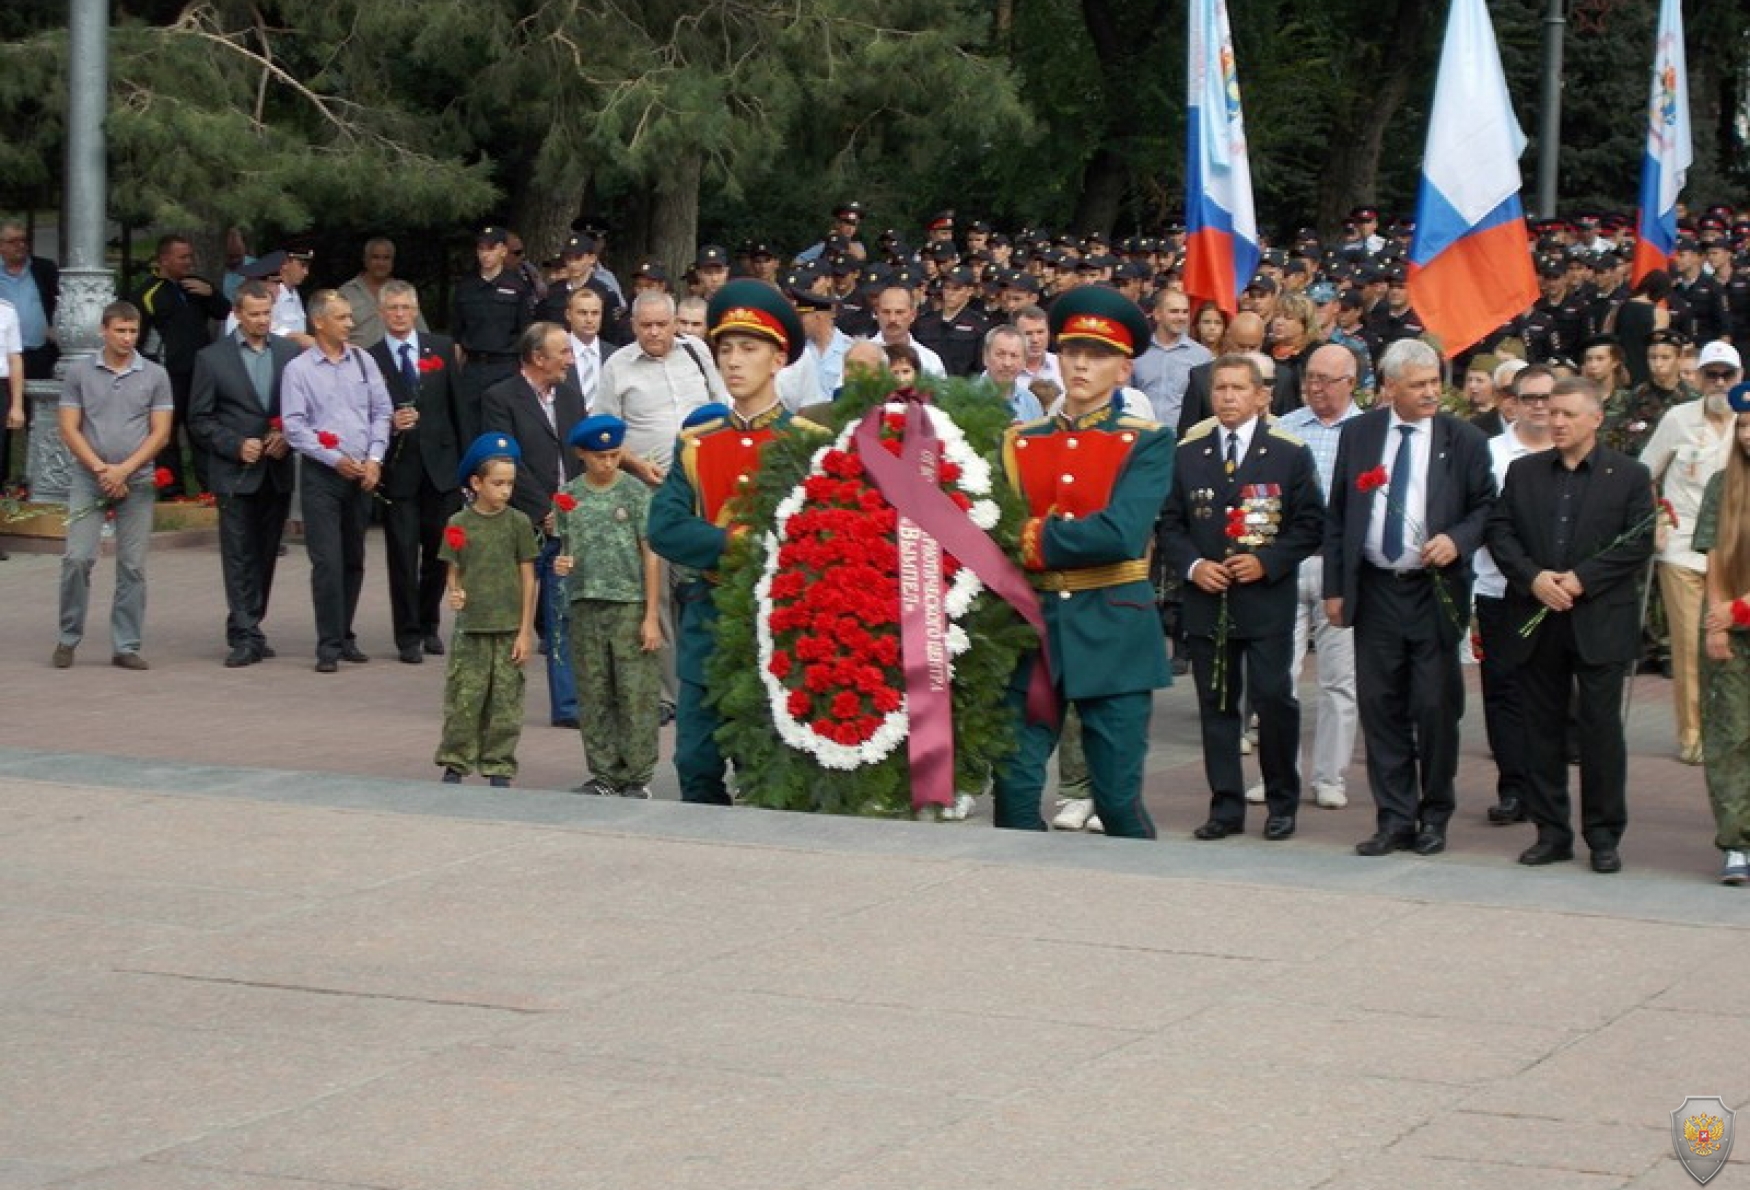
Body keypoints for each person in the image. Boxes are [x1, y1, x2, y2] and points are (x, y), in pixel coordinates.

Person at [989, 285, 1176, 839]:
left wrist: (1032, 538)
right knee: (1016, 796)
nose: (1081, 364)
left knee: (1117, 799)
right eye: (1073, 352)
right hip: (1032, 631)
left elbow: (1122, 533)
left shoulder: (1146, 441)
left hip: (1113, 627)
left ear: (1123, 370)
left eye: (1098, 355)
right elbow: (993, 523)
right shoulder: (1019, 440)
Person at [649, 279, 821, 804]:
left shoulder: (808, 445)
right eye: (725, 349)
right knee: (695, 763)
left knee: (770, 769)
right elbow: (665, 526)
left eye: (749, 349)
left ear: (778, 359)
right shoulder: (698, 444)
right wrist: (736, 545)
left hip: (778, 627)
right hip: (708, 617)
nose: (734, 361)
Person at [1324, 337, 1495, 857]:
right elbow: (1338, 515)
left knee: (1434, 705)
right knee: (1382, 705)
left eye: (1434, 383)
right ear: (1390, 386)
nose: (1430, 393)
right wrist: (1336, 587)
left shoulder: (1461, 438)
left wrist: (1457, 540)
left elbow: (1487, 507)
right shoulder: (1360, 434)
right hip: (1376, 589)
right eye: (1418, 384)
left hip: (1434, 592)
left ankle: (1434, 812)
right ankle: (1393, 816)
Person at [1485, 377, 1654, 872]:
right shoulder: (1525, 472)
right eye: (1551, 412)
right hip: (1538, 616)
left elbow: (1637, 542)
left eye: (1568, 414)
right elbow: (1501, 530)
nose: (1556, 421)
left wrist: (1581, 580)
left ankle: (1603, 835)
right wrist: (1533, 579)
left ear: (1596, 419)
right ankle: (1550, 830)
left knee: (1601, 732)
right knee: (1541, 729)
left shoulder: (1628, 475)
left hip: (1598, 620)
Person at [1160, 354, 1324, 841]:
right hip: (1208, 599)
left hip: (1266, 599)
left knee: (1274, 700)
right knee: (1217, 705)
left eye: (1237, 388)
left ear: (1261, 396)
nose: (1228, 397)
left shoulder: (1288, 452)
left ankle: (1280, 802)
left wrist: (1268, 561)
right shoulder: (1189, 452)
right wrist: (1193, 566)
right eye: (1220, 388)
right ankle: (1225, 806)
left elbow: (1310, 525)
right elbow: (1170, 523)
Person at [53, 300, 173, 670]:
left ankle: (126, 644)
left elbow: (162, 432)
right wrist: (101, 468)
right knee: (77, 558)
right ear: (104, 331)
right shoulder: (79, 372)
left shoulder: (154, 374)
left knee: (132, 566)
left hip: (135, 479)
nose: (126, 338)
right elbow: (69, 427)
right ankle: (68, 636)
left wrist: (125, 470)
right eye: (119, 330)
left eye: (132, 331)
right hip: (89, 478)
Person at [188, 280, 302, 666]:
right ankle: (245, 632)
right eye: (253, 314)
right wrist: (234, 444)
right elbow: (199, 419)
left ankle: (250, 624)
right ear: (237, 314)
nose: (260, 321)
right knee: (238, 553)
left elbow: (303, 406)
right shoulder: (212, 358)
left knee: (267, 552)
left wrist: (286, 432)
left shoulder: (288, 354)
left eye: (266, 313)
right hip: (235, 471)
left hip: (276, 467)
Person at [280, 290, 393, 672]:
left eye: (349, 317)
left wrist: (375, 458)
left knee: (354, 558)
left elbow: (382, 411)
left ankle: (345, 634)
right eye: (342, 317)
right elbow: (295, 427)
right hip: (322, 474)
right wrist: (334, 458)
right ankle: (327, 643)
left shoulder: (363, 361)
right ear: (319, 322)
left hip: (362, 473)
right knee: (327, 560)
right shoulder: (299, 370)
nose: (350, 323)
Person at [1274, 342, 1366, 809]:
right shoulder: (1285, 429)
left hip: (1340, 569)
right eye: (1309, 377)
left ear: (1351, 382)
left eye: (1326, 380)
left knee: (1338, 680)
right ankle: (1280, 775)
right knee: (1279, 677)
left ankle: (1330, 776)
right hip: (1288, 563)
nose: (1315, 387)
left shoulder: (1369, 432)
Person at [481, 322, 587, 726]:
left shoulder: (572, 397)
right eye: (562, 352)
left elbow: (578, 456)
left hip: (566, 525)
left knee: (561, 616)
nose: (570, 360)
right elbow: (505, 463)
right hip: (521, 521)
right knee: (507, 614)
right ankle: (498, 701)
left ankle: (568, 707)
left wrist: (569, 509)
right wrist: (544, 508)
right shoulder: (500, 398)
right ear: (538, 358)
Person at [554, 414, 664, 799]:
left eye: (615, 455)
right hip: (585, 602)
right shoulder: (569, 496)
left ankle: (637, 775)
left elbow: (650, 553)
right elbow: (564, 549)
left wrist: (651, 616)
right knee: (594, 691)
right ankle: (603, 773)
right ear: (583, 454)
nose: (607, 463)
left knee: (635, 693)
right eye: (599, 456)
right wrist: (562, 565)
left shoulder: (635, 493)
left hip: (629, 603)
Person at [1639, 340, 1739, 765]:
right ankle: (1693, 733)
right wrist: (1657, 519)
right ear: (1697, 377)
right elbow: (1644, 472)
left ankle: (1732, 730)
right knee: (1689, 644)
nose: (1718, 383)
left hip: (1737, 552)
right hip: (1683, 548)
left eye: (1726, 375)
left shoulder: (1747, 418)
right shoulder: (1678, 418)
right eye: (1710, 374)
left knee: (1732, 643)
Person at [1468, 365, 1556, 825]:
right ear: (1512, 404)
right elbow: (1482, 518)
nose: (1539, 406)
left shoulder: (1569, 449)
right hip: (1498, 589)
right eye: (1530, 398)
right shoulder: (1490, 454)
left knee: (1548, 694)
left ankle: (1546, 787)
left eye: (1547, 397)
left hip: (1556, 594)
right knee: (1503, 692)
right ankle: (1513, 788)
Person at [435, 433, 538, 788]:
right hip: (473, 627)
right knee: (465, 697)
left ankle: (499, 765)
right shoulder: (458, 523)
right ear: (476, 483)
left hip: (509, 626)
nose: (505, 491)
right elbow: (454, 566)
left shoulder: (518, 524)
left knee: (506, 703)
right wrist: (455, 591)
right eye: (497, 483)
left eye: (509, 484)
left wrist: (526, 630)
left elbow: (528, 575)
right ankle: (456, 761)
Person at [369, 281, 462, 664]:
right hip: (400, 470)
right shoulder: (371, 358)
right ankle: (406, 634)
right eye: (392, 308)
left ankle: (428, 623)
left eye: (406, 307)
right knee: (402, 555)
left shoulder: (439, 348)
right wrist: (391, 424)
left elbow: (457, 407)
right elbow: (368, 412)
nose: (399, 314)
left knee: (439, 553)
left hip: (441, 468)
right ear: (380, 313)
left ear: (416, 308)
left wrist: (466, 466)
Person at [1694, 392, 1750, 884]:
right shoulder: (1721, 484)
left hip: (1742, 611)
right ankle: (1736, 841)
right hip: (1729, 624)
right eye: (1746, 426)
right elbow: (1712, 553)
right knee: (1730, 734)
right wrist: (1717, 619)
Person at [132, 234, 229, 497]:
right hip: (167, 374)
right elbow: (137, 336)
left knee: (202, 428)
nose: (189, 262)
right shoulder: (147, 292)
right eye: (183, 257)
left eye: (190, 256)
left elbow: (226, 312)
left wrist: (211, 294)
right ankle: (171, 489)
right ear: (164, 259)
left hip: (200, 373)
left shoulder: (197, 287)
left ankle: (210, 489)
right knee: (166, 431)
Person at [452, 226, 534, 443]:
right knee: (469, 428)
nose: (485, 254)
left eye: (491, 248)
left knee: (502, 426)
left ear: (503, 251)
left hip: (505, 365)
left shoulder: (517, 286)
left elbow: (526, 332)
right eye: (481, 249)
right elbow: (457, 336)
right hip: (473, 366)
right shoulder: (466, 286)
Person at [1131, 287, 1212, 429]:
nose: (1181, 317)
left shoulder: (1203, 357)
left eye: (1185, 312)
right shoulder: (1137, 352)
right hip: (1142, 438)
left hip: (1183, 441)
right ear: (1157, 314)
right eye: (1174, 311)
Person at [340, 238, 424, 348]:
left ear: (392, 261)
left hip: (396, 360)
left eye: (386, 258)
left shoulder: (404, 293)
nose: (381, 263)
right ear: (365, 259)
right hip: (357, 361)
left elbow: (422, 333)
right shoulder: (346, 293)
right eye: (375, 257)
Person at [867, 284, 947, 378]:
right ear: (877, 313)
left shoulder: (930, 360)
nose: (892, 319)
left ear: (913, 315)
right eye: (886, 312)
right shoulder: (859, 355)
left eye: (899, 312)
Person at [978, 324, 1044, 422]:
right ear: (985, 357)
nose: (1007, 363)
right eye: (1000, 354)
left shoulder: (1031, 402)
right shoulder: (965, 399)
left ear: (1024, 362)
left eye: (1014, 356)